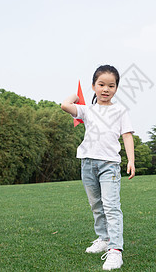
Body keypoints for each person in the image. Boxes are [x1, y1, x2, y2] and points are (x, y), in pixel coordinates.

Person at [61, 65, 135, 270]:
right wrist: (76, 96)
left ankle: (115, 250)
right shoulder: (87, 110)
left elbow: (127, 135)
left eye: (111, 85)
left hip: (109, 165)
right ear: (93, 86)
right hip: (87, 163)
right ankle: (103, 239)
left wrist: (131, 160)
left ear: (116, 88)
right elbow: (64, 106)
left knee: (111, 207)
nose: (105, 89)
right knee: (96, 205)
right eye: (101, 84)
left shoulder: (120, 111)